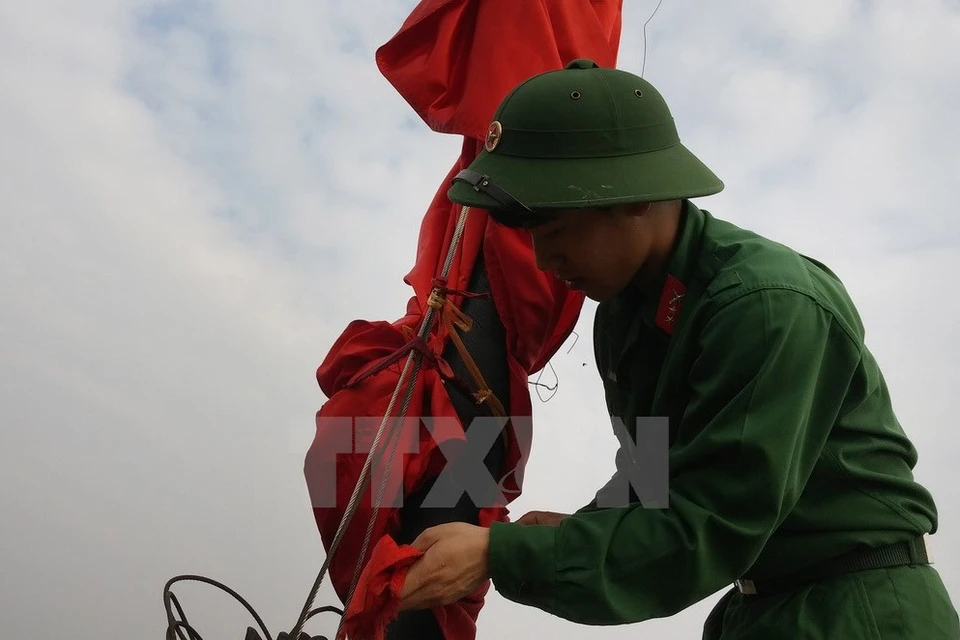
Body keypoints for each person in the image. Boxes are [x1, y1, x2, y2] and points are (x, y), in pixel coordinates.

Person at [394, 59, 959, 638]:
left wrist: (503, 556)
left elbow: (708, 528)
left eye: (556, 230)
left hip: (859, 613)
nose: (544, 260)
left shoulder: (765, 306)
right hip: (765, 610)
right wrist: (557, 538)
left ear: (636, 197)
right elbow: (652, 481)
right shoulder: (625, 318)